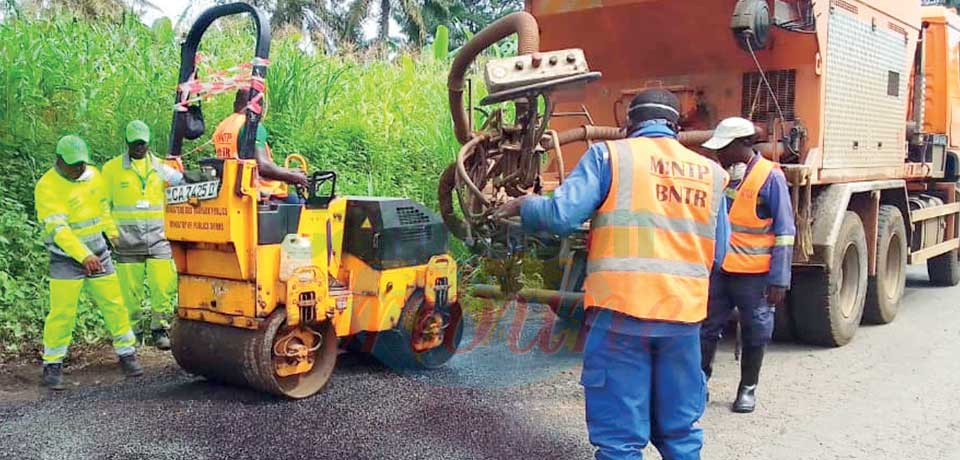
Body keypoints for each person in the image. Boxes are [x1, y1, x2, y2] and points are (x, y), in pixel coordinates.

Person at [497, 89, 730, 460]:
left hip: (620, 316)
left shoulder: (609, 157)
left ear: (628, 124)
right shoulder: (711, 174)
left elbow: (560, 216)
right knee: (681, 434)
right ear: (675, 126)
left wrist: (525, 204)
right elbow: (718, 254)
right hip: (683, 321)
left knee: (620, 441)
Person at [699, 117, 796, 414]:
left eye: (723, 148)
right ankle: (699, 386)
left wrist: (779, 279)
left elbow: (784, 232)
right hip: (720, 271)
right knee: (706, 328)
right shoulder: (726, 176)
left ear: (743, 145)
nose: (718, 154)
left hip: (754, 277)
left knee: (756, 330)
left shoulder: (771, 178)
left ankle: (747, 389)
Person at [34, 135, 143, 390]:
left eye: (82, 163)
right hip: (65, 259)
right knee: (62, 312)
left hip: (99, 253)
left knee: (114, 304)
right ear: (59, 161)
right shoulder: (47, 186)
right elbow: (59, 229)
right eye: (73, 164)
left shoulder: (94, 176)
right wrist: (83, 255)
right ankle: (52, 365)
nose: (79, 168)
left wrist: (112, 233)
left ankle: (127, 354)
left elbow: (102, 208)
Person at [102, 120, 184, 350]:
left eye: (143, 143)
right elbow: (101, 204)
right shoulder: (111, 170)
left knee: (163, 287)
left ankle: (160, 329)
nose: (139, 147)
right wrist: (110, 232)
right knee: (129, 293)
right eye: (135, 143)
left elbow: (182, 182)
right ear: (127, 142)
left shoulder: (159, 167)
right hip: (126, 241)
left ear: (148, 143)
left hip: (158, 239)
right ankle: (134, 333)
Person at [212, 89, 308, 203]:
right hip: (256, 192)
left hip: (230, 188)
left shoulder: (223, 126)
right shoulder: (252, 126)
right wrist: (294, 177)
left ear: (235, 104)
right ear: (257, 105)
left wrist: (288, 172)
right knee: (303, 205)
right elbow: (262, 167)